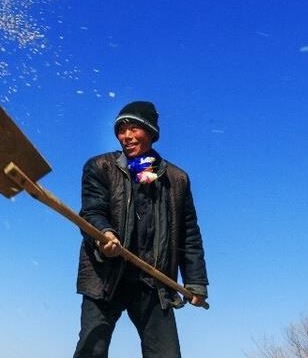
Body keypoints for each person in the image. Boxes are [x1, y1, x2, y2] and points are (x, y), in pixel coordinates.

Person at [73, 101, 209, 358]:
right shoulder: (100, 167)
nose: (126, 136)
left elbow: (189, 234)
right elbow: (92, 213)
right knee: (91, 350)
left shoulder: (177, 180)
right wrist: (105, 236)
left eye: (134, 128)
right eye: (121, 130)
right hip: (106, 276)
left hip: (153, 281)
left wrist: (196, 281)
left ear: (151, 132)